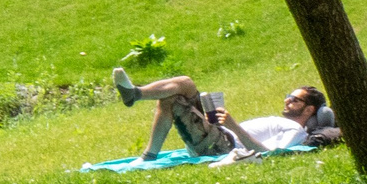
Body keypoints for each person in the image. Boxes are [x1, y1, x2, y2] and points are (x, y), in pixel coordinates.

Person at [113, 68, 336, 160]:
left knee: (172, 99)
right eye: (289, 95)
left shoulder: (295, 130)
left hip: (223, 146)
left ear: (309, 110)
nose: (287, 99)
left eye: (294, 99)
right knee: (184, 84)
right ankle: (135, 94)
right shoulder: (278, 121)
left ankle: (149, 155)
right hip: (220, 135)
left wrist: (234, 125)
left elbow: (272, 156)